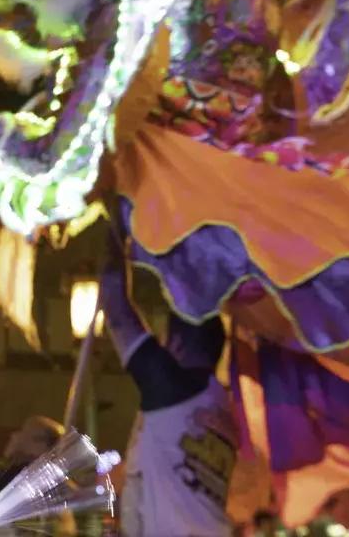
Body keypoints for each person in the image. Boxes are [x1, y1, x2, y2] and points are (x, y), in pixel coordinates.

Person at [100, 221, 237, 537]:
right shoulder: (216, 402)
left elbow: (116, 307)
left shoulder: (176, 393)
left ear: (173, 344)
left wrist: (115, 228)